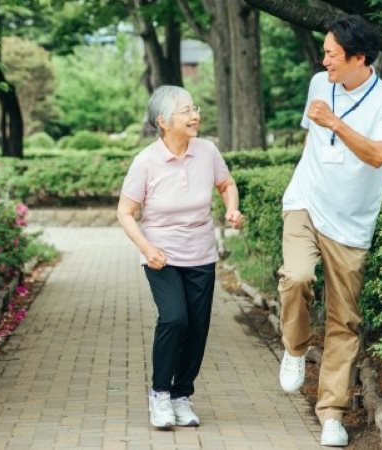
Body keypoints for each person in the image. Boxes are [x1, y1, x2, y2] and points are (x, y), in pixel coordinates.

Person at [276, 14, 382, 447]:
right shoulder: (320, 84)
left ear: (359, 58)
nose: (324, 60)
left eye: (332, 54)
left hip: (351, 221)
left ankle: (331, 414)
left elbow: (377, 155)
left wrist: (336, 123)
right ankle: (295, 347)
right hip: (305, 202)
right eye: (325, 52)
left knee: (344, 319)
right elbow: (311, 143)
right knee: (296, 277)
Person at [117, 85, 244, 429]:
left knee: (198, 327)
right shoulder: (146, 162)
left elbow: (227, 185)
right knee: (175, 319)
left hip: (201, 253)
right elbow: (125, 212)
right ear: (163, 121)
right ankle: (160, 394)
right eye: (186, 111)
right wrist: (147, 249)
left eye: (195, 108)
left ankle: (181, 395)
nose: (195, 116)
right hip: (162, 256)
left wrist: (232, 209)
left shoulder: (207, 151)